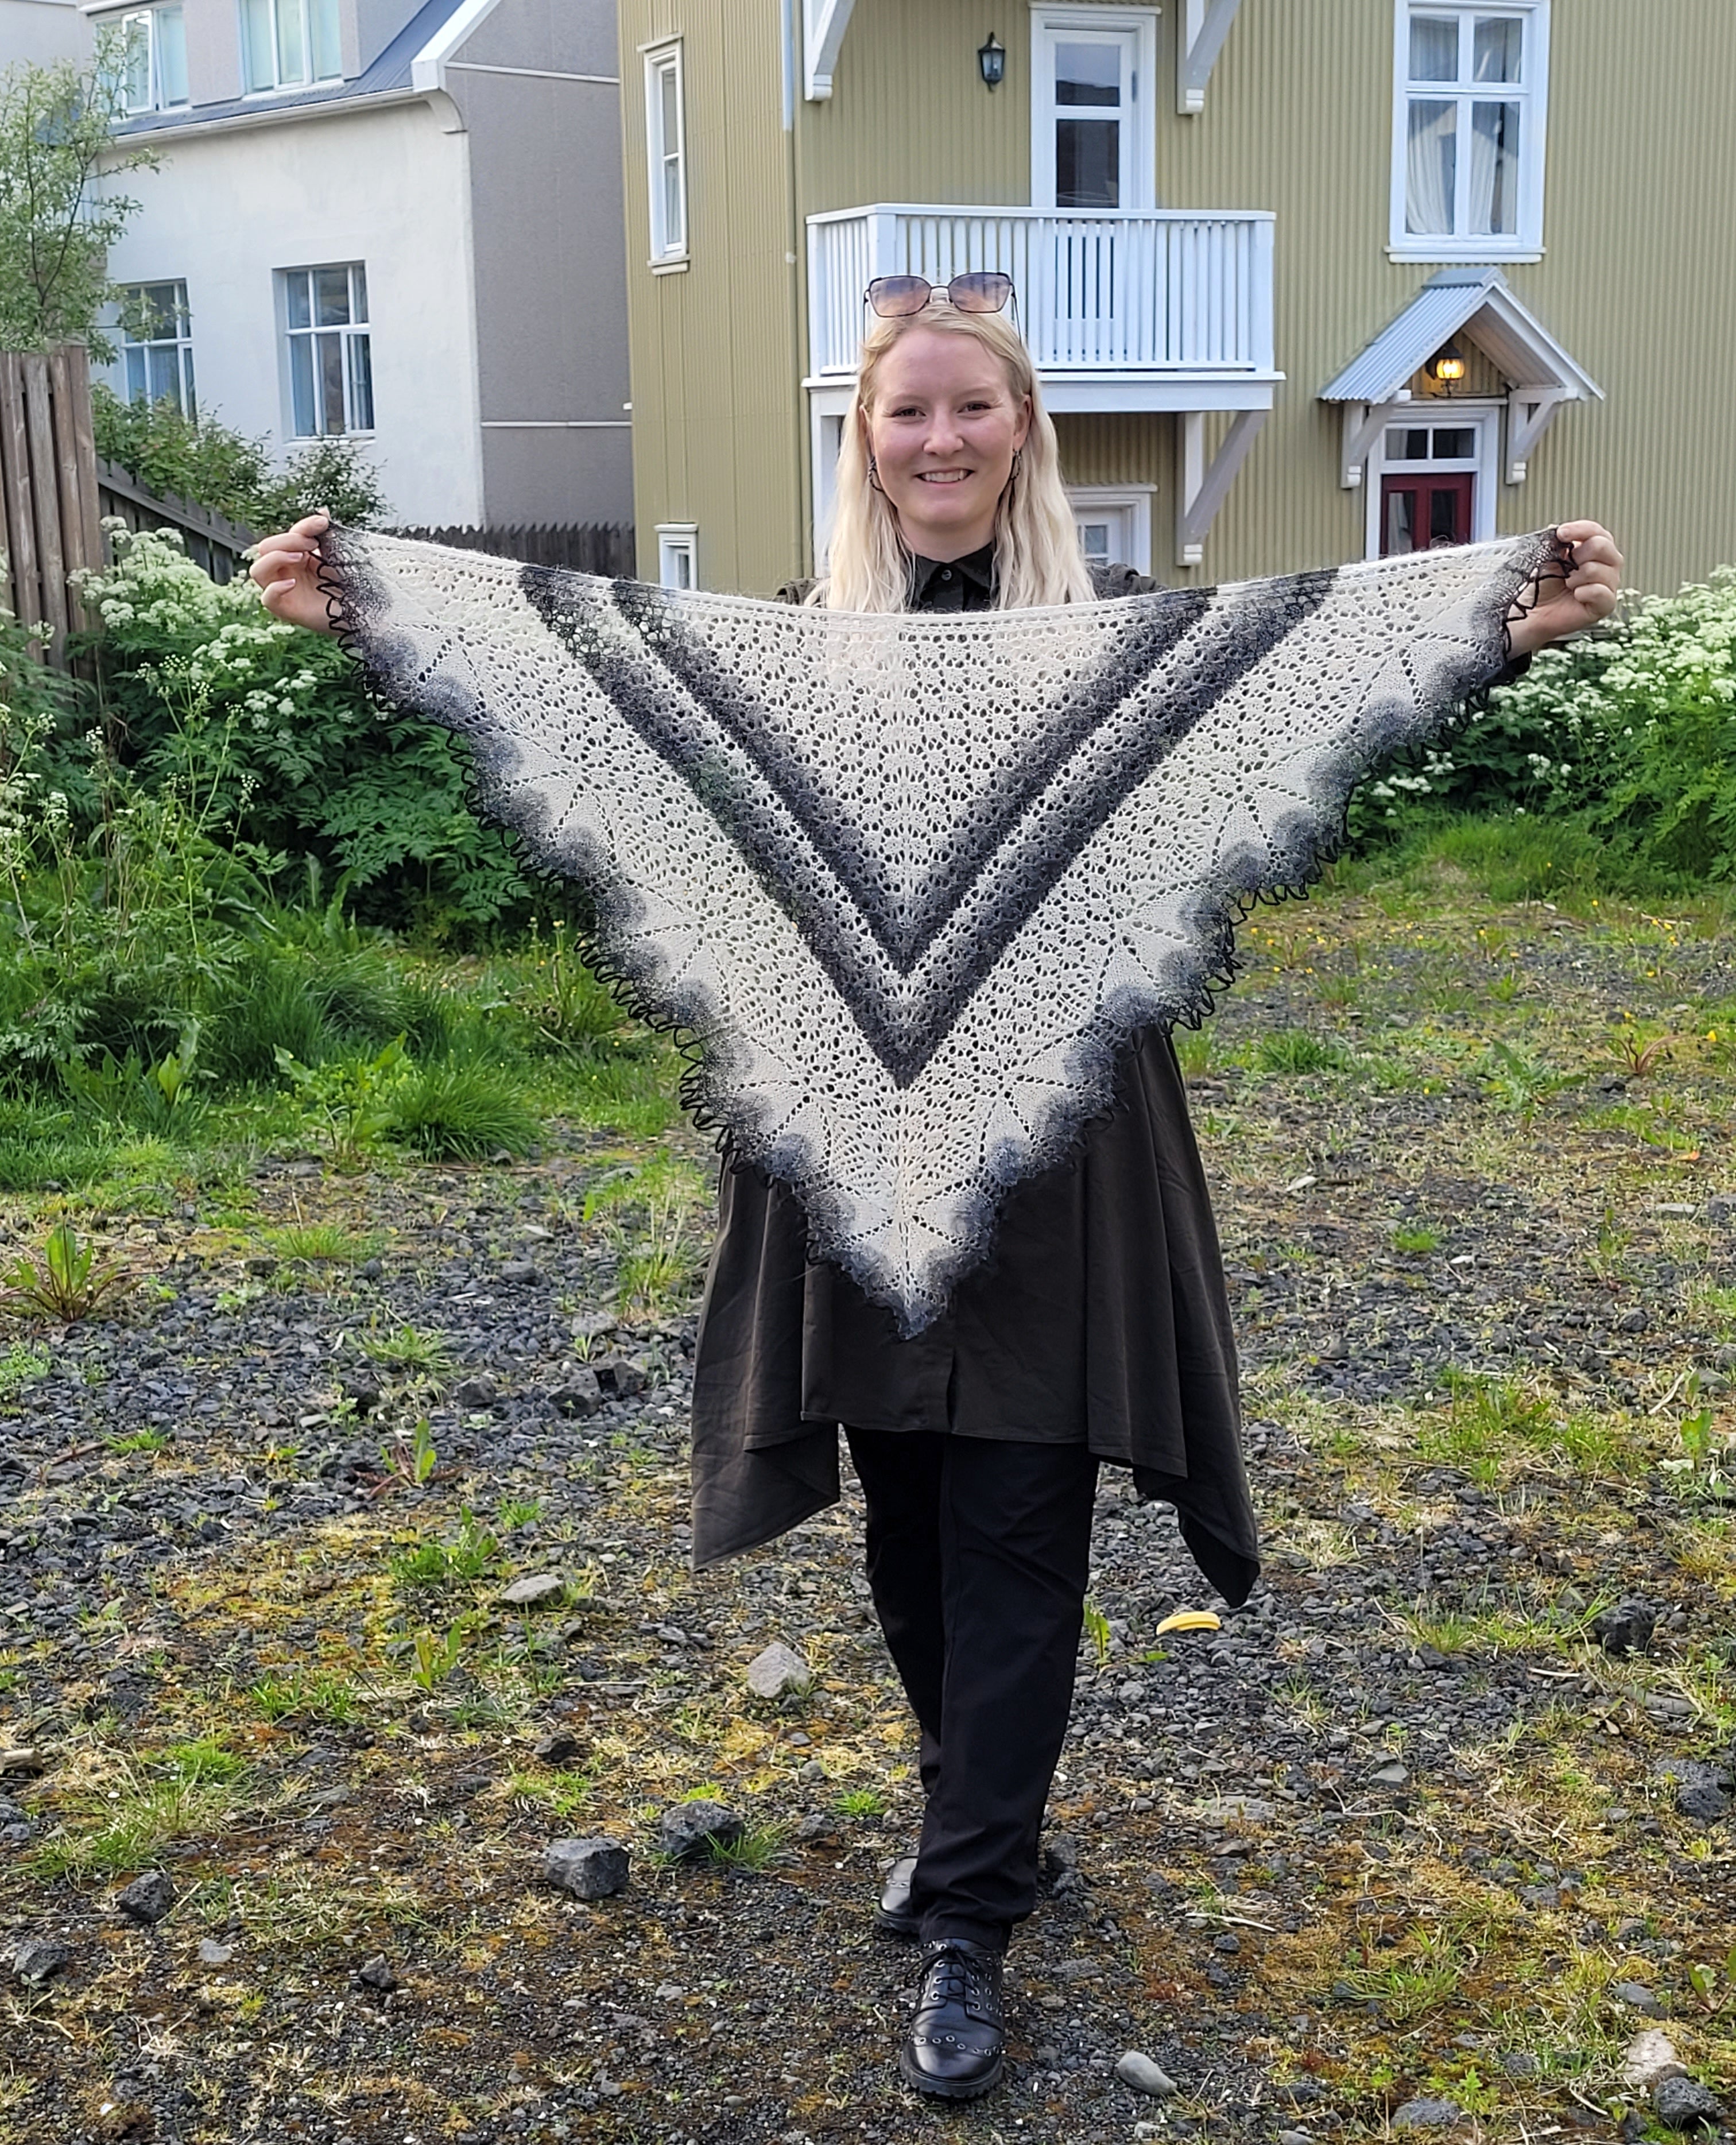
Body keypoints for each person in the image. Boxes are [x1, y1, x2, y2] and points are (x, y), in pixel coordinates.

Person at [252, 282, 1622, 2104]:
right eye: (908, 413)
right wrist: (367, 612)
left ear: (1023, 426)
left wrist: (1496, 624)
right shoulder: (793, 650)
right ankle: (993, 1825)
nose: (944, 440)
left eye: (975, 407)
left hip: (1065, 1152)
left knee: (1017, 1528)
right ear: (865, 438)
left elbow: (1318, 663)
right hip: (846, 1139)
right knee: (906, 1521)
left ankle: (970, 1912)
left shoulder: (1120, 643)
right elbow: (561, 670)